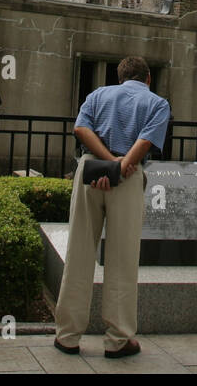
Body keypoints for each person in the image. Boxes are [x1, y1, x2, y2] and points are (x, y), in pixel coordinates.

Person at [53, 56, 170, 359]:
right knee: (122, 258)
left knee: (78, 251)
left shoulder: (97, 95)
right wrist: (120, 166)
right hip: (127, 176)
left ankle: (67, 336)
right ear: (147, 78)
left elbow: (81, 129)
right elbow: (145, 141)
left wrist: (106, 162)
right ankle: (118, 339)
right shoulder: (157, 103)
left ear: (120, 78)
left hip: (90, 170)